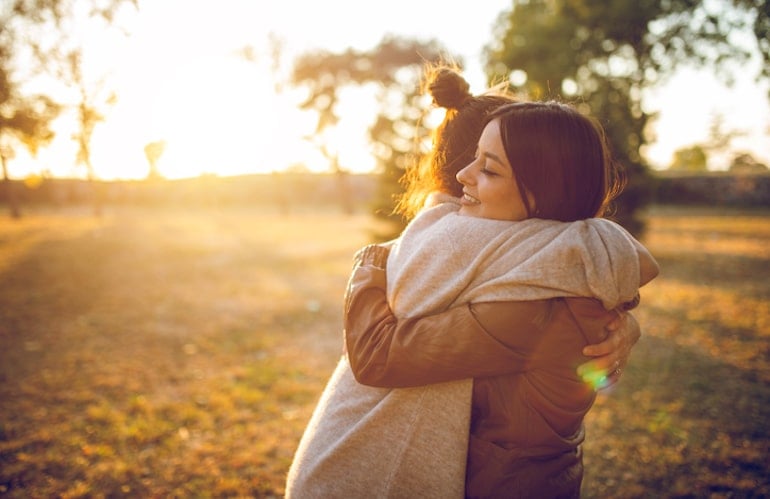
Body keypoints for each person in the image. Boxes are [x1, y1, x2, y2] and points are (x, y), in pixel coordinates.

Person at [285, 65, 650, 498]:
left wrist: (372, 261)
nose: (463, 180)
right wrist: (627, 323)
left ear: (546, 189)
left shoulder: (534, 303)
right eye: (473, 159)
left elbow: (377, 355)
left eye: (490, 169)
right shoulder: (557, 260)